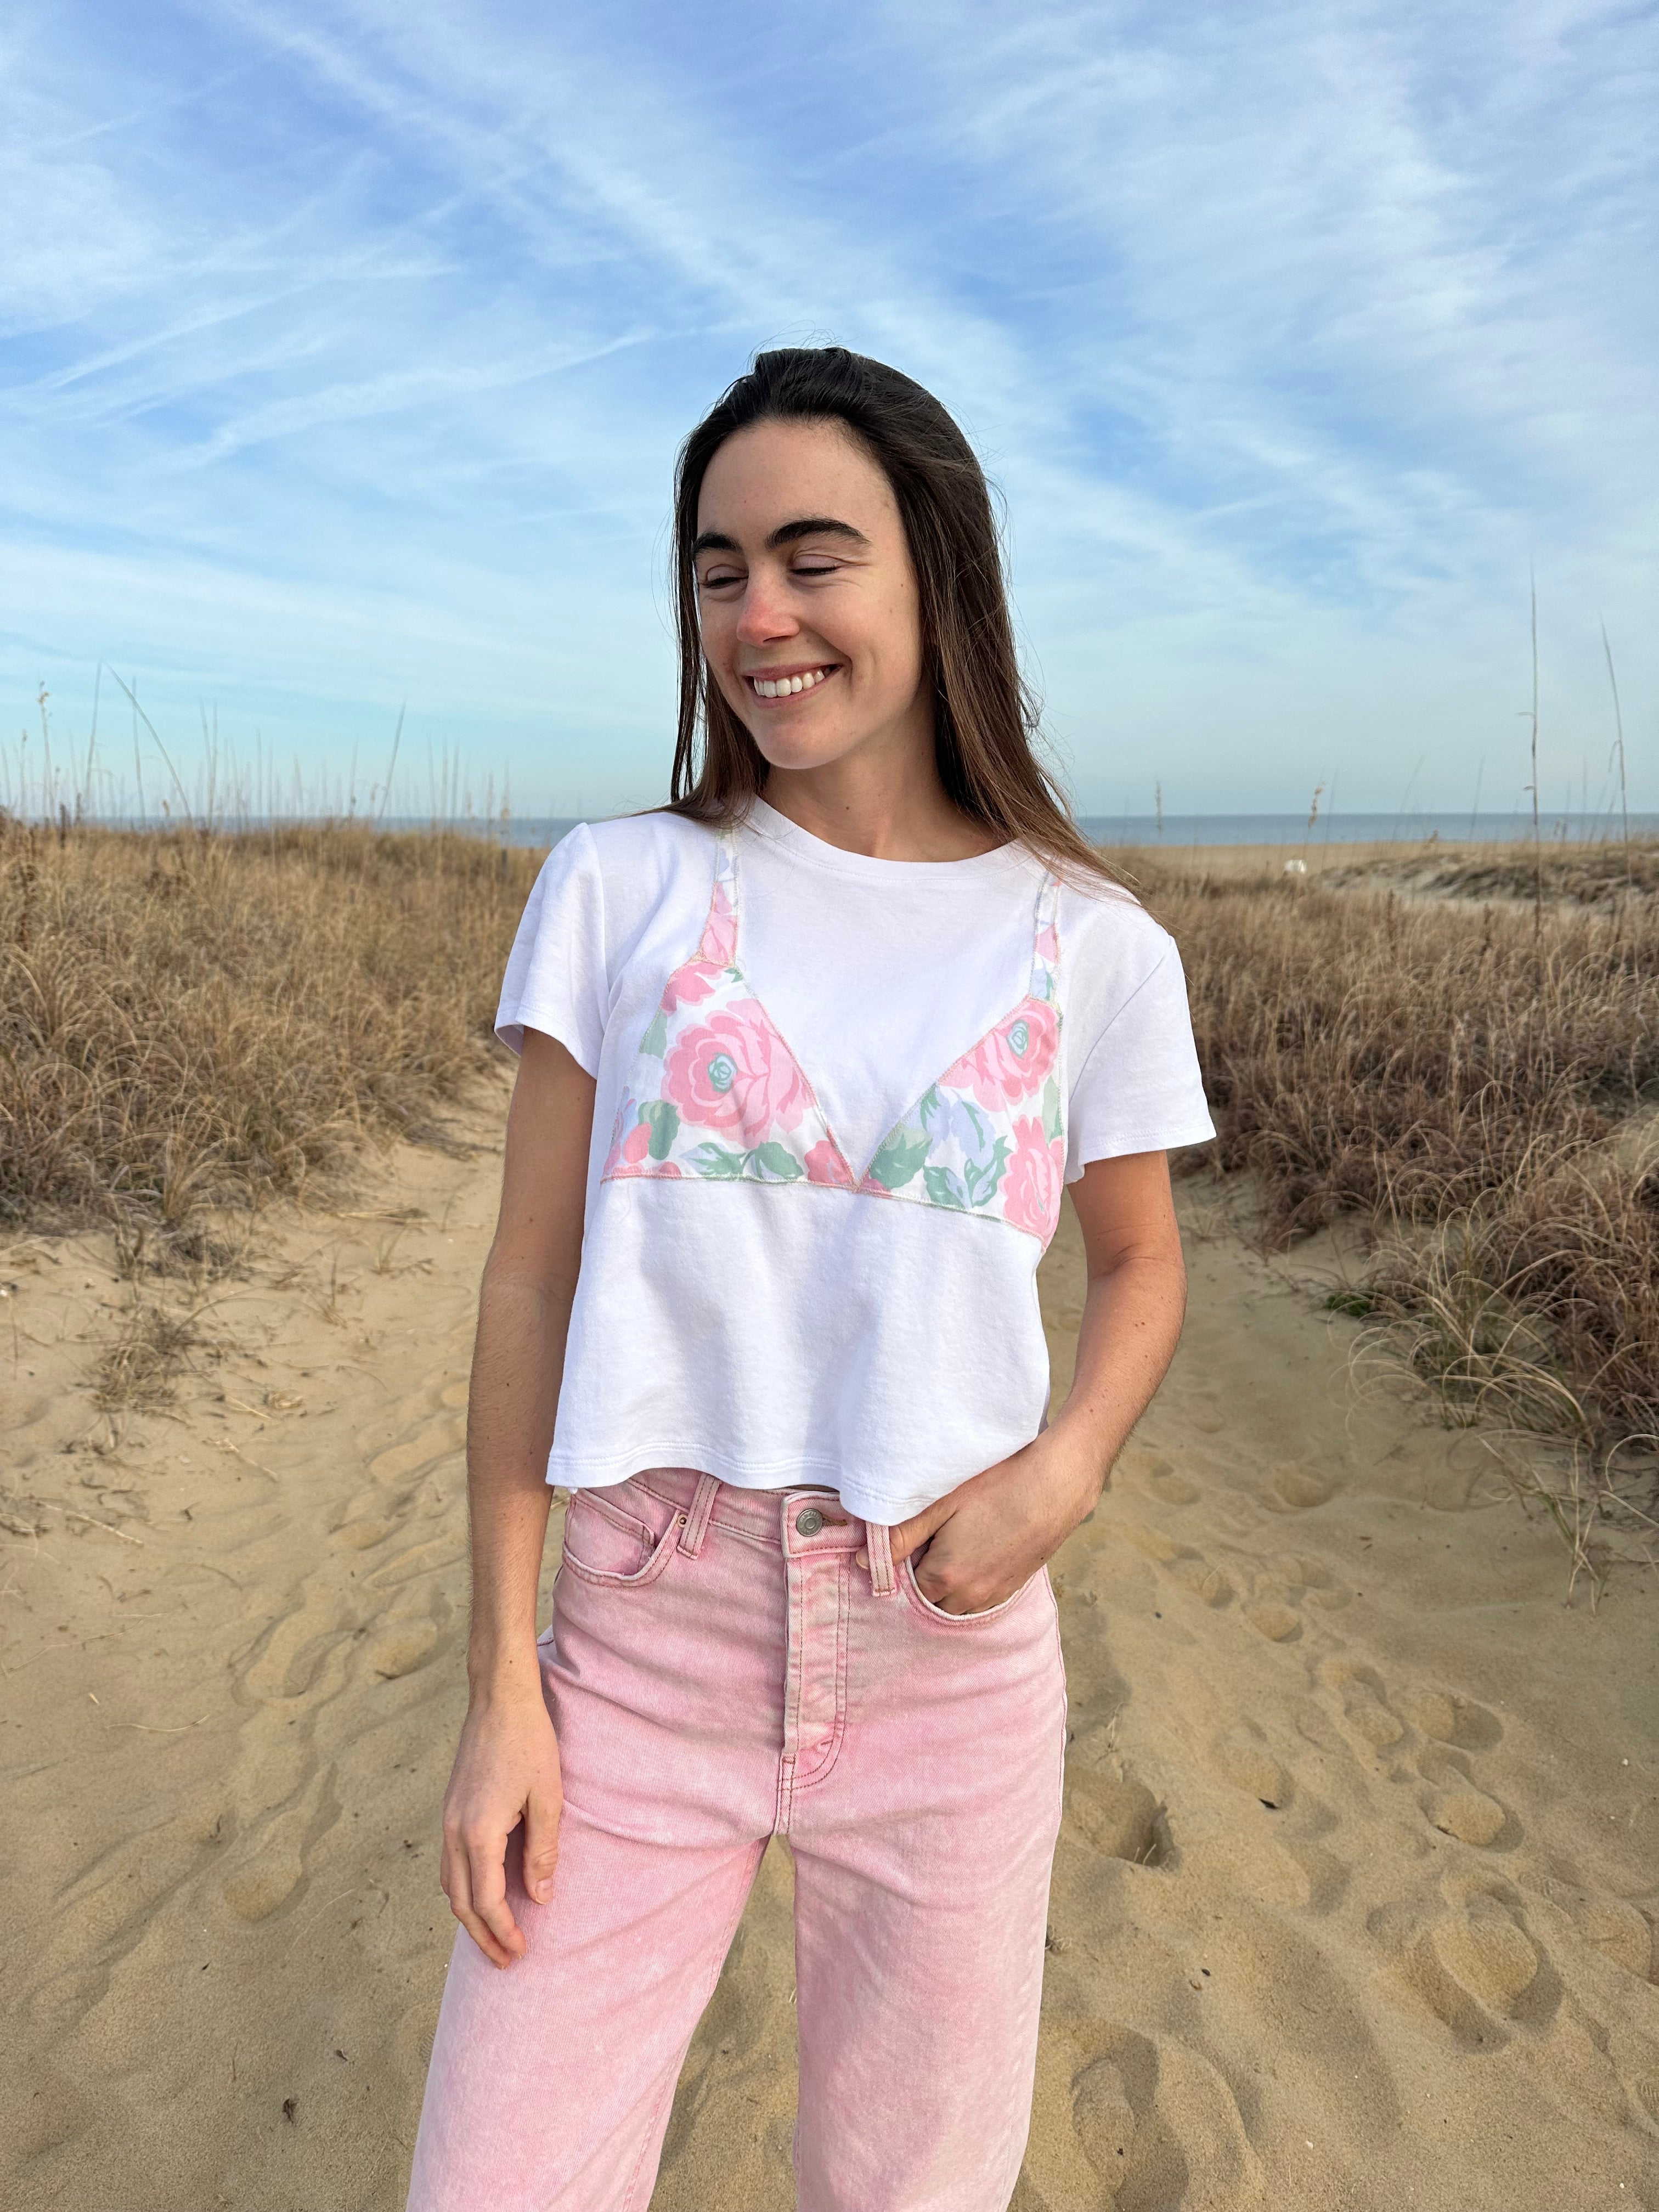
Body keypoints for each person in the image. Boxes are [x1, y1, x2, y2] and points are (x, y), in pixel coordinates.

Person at [405, 346, 1214, 2212]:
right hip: (638, 1634)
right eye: (715, 567)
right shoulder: (616, 887)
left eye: (811, 556)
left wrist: (1064, 1468)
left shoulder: (1094, 946)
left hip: (947, 1651)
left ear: (935, 567)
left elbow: (1143, 1262)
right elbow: (529, 1287)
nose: (757, 614)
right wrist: (499, 1684)